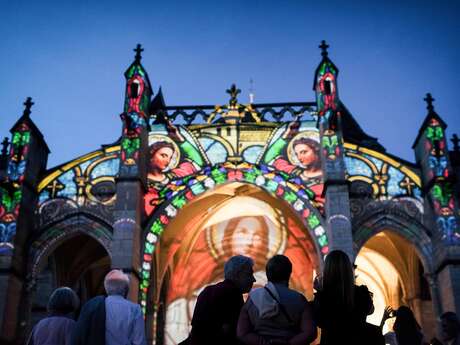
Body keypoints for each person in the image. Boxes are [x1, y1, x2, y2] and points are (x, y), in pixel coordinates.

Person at [237, 255, 316, 345]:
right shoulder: (299, 299)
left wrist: (265, 343)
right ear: (289, 273)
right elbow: (310, 332)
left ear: (267, 274)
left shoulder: (253, 298)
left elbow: (242, 333)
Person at [187, 255, 256, 345]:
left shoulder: (207, 291)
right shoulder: (233, 293)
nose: (254, 279)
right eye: (249, 274)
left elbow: (196, 332)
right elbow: (233, 334)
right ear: (238, 275)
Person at [72, 270, 146, 345]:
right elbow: (139, 341)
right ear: (126, 289)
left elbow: (80, 335)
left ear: (106, 288)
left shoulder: (93, 305)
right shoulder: (135, 309)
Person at [312, 249, 358, 345]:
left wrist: (319, 293)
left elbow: (319, 321)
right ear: (349, 269)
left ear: (327, 270)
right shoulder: (360, 293)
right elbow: (369, 310)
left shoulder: (325, 297)